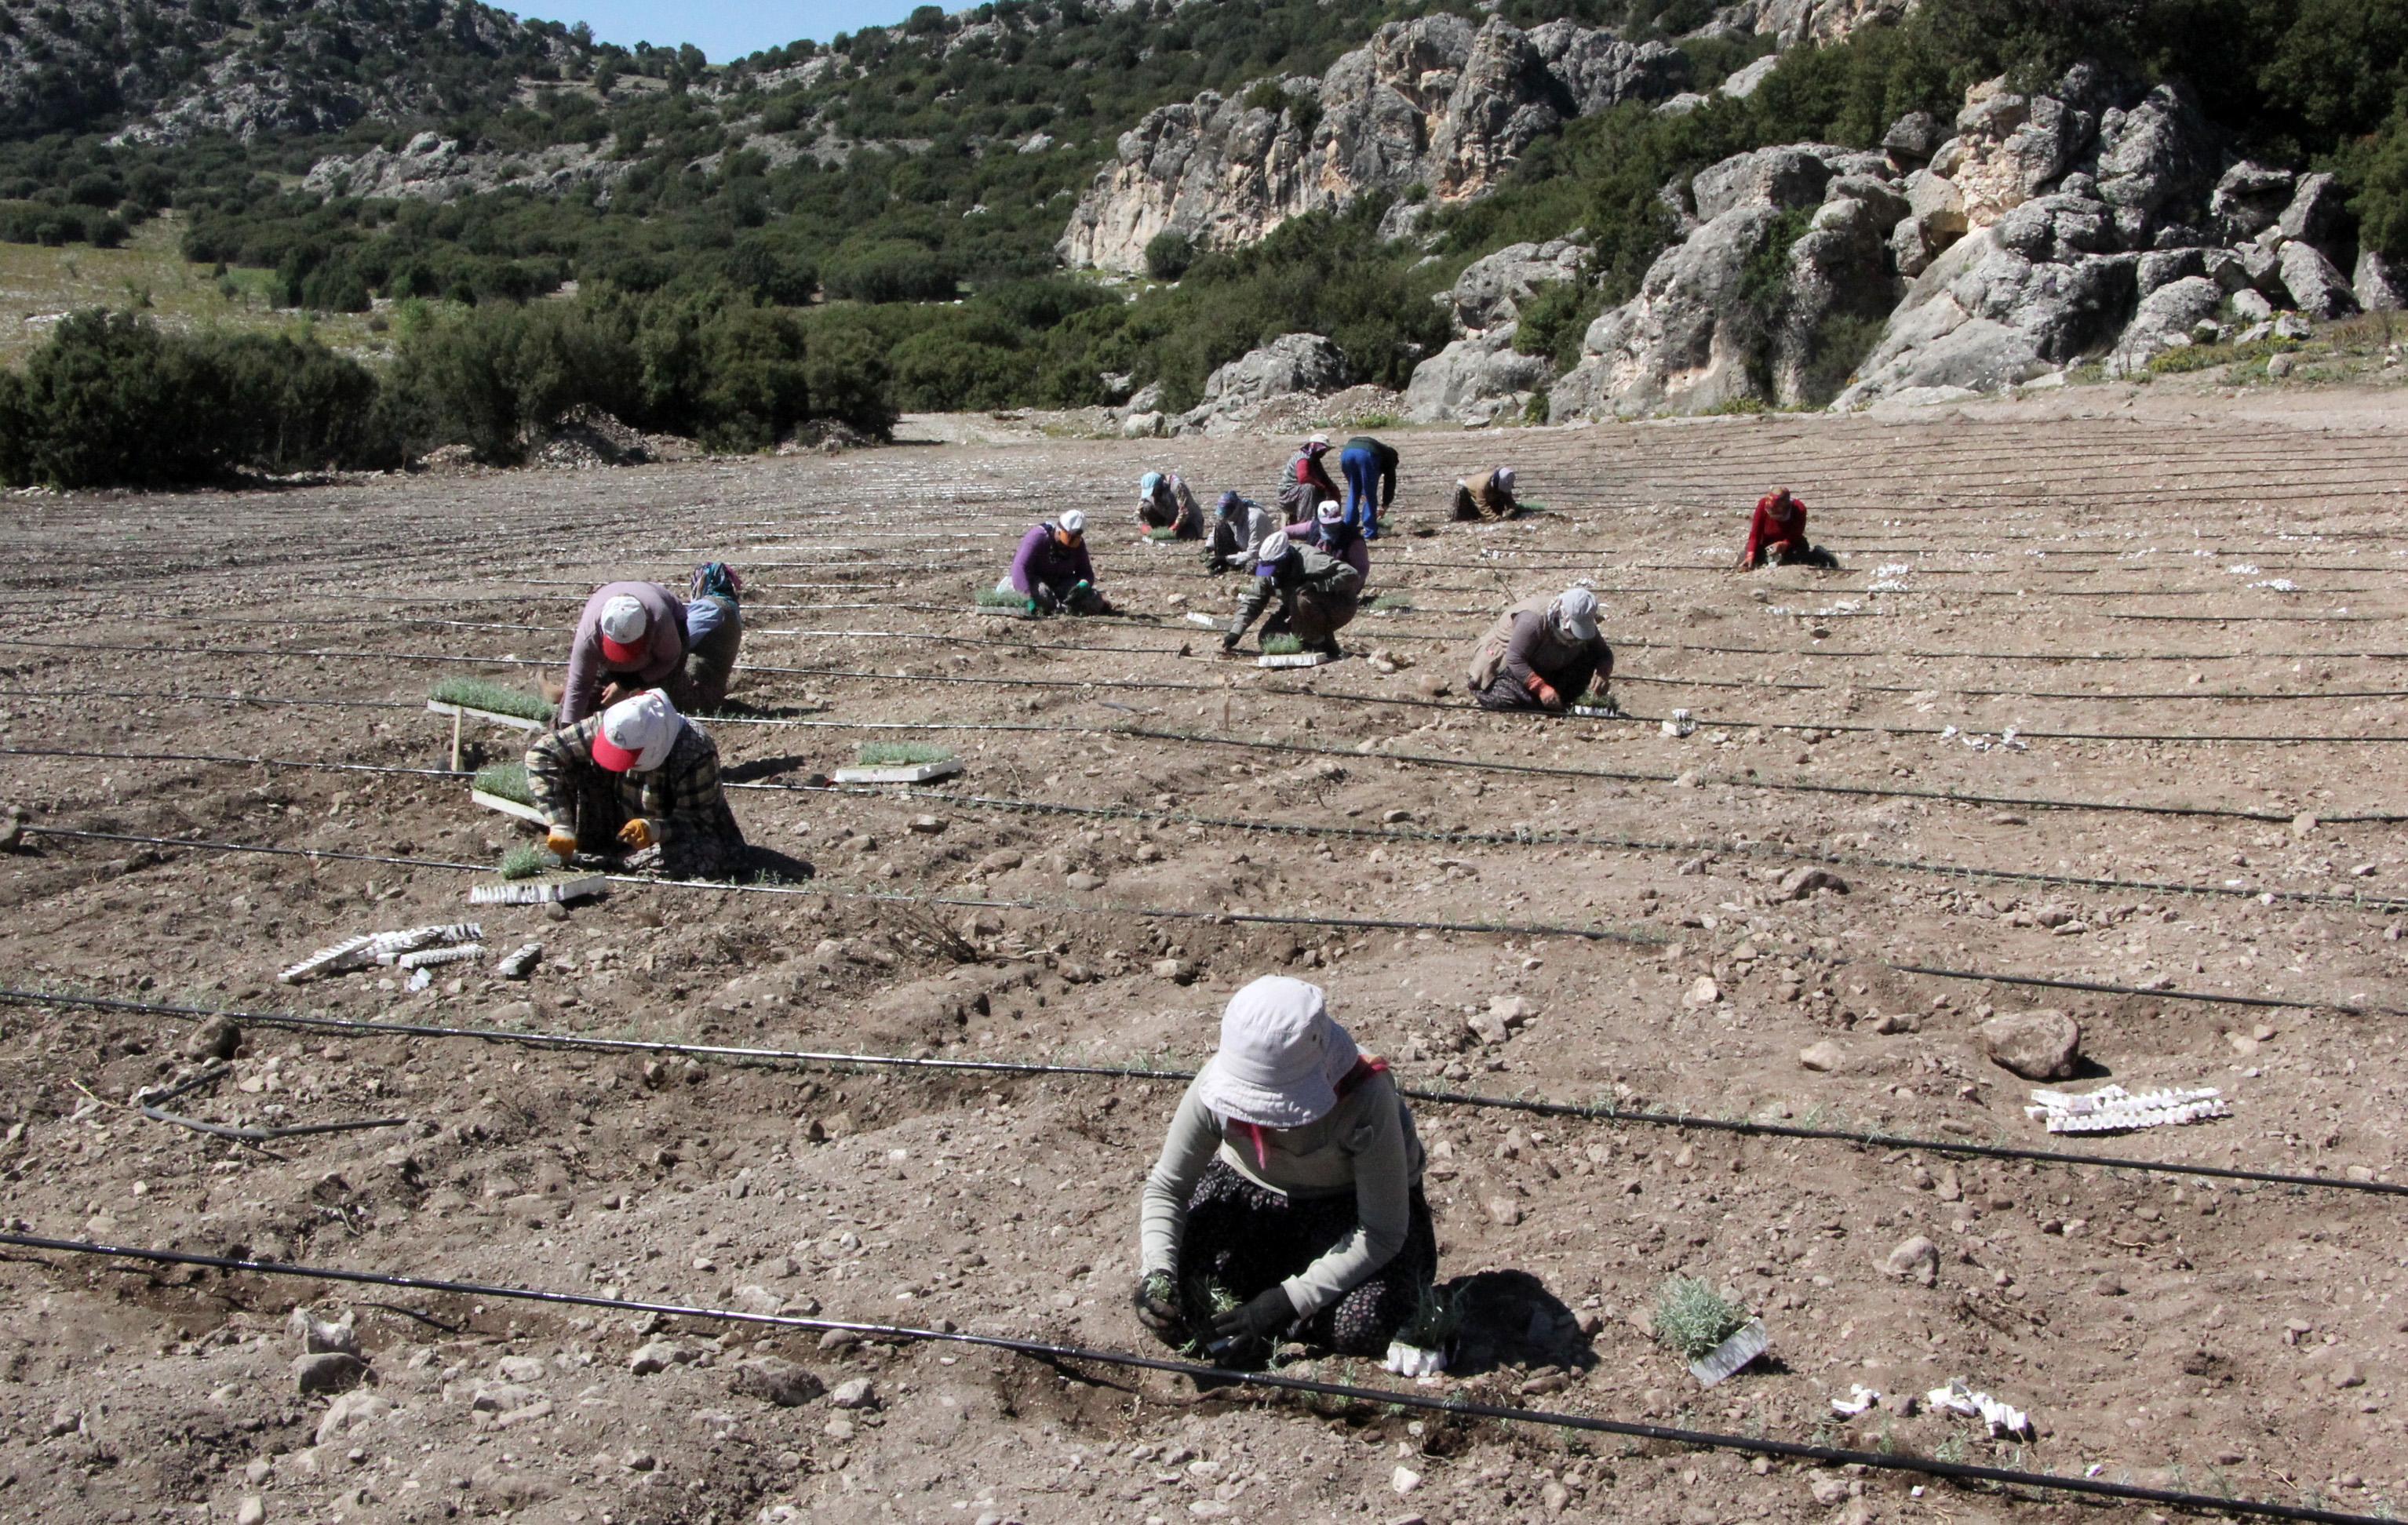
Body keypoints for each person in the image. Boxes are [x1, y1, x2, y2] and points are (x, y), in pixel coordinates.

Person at [1132, 977, 1440, 1366]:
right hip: (1254, 1204)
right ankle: (1287, 1307)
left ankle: (1296, 1307)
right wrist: (1156, 1274)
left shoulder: (1367, 1097)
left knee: (1365, 1324)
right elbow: (1168, 1189)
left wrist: (1287, 1302)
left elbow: (1381, 1231)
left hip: (1347, 1219)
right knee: (1185, 1303)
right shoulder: (1214, 1087)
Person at [525, 689, 748, 879]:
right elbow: (542, 754)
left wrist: (655, 829)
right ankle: (602, 849)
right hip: (615, 816)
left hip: (671, 833)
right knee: (574, 764)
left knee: (701, 854)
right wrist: (560, 824)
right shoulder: (614, 725)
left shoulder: (694, 750)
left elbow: (698, 820)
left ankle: (615, 861)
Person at [557, 581, 689, 725]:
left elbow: (669, 660)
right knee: (589, 706)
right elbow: (580, 684)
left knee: (657, 712)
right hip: (611, 628)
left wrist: (628, 684)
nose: (626, 661)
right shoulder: (589, 635)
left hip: (668, 635)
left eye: (631, 647)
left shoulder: (660, 620)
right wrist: (568, 731)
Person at [1466, 586, 1614, 713]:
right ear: (1564, 615)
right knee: (1512, 700)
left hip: (1547, 664)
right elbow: (1515, 658)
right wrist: (1541, 688)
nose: (1576, 634)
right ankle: (1544, 699)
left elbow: (1604, 653)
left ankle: (1554, 698)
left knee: (1587, 656)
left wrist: (1603, 672)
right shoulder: (1533, 621)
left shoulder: (1584, 624)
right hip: (1508, 667)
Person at [1222, 531, 1361, 658]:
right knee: (1267, 638)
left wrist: (1318, 586)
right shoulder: (1267, 569)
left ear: (1285, 559)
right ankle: (1317, 642)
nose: (1272, 572)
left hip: (1340, 606)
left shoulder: (1310, 559)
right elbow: (1254, 600)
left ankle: (1316, 643)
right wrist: (1236, 632)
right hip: (1294, 607)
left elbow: (1351, 573)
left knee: (1301, 597)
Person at [1002, 509, 1109, 615]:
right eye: (1069, 539)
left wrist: (1083, 585)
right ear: (1059, 531)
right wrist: (1026, 597)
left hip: (1060, 582)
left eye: (1075, 540)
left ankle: (1060, 607)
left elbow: (1086, 572)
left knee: (1093, 601)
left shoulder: (1078, 545)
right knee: (1043, 598)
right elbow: (1019, 567)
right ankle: (1055, 607)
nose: (1069, 546)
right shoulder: (1038, 537)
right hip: (1034, 581)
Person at [679, 562, 745, 715]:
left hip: (693, 692)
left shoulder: (710, 608)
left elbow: (679, 641)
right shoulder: (730, 608)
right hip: (712, 693)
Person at [1736, 488, 1837, 569]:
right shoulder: (1763, 504)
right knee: (1745, 562)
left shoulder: (1799, 508)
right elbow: (1755, 535)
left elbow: (1796, 534)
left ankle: (1819, 554)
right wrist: (1751, 554)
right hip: (1765, 544)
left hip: (1791, 544)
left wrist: (1784, 544)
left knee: (1797, 560)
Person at [1286, 500, 1369, 586]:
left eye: (1334, 522)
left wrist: (1348, 587)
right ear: (1319, 520)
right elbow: (1287, 531)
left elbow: (1362, 570)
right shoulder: (1313, 527)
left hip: (1339, 581)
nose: (1331, 526)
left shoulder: (1352, 539)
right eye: (1327, 523)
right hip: (1313, 575)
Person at [1203, 490, 1280, 574]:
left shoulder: (1255, 519)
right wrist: (1208, 547)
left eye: (1228, 516)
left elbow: (1253, 554)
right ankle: (1226, 564)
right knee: (1220, 524)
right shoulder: (1231, 517)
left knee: (1253, 566)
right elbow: (1216, 531)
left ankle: (1231, 563)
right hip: (1243, 548)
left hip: (1260, 555)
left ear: (1235, 509)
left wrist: (1226, 559)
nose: (1227, 519)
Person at [1338, 435, 1399, 538]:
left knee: (1353, 491)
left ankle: (1348, 527)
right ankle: (1370, 533)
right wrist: (1385, 504)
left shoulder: (1382, 450)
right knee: (1369, 494)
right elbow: (1390, 483)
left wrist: (1359, 490)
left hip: (1347, 453)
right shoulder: (1389, 459)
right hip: (1366, 454)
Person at [1279, 434, 1342, 525]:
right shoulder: (1303, 459)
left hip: (1300, 492)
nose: (1324, 453)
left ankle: (1331, 520)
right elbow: (1303, 478)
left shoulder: (1315, 460)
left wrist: (1332, 489)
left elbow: (1325, 478)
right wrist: (1322, 487)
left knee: (1331, 488)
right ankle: (1306, 523)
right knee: (1309, 488)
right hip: (1288, 494)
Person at [1138, 471, 1204, 538]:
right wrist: (1142, 526)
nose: (1152, 494)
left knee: (1183, 537)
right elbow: (1137, 514)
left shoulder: (1177, 486)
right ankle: (1159, 531)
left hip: (1188, 521)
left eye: (1153, 491)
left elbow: (1184, 512)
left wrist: (1174, 528)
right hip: (1168, 519)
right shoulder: (1148, 490)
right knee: (1147, 507)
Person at [1450, 466, 1520, 522]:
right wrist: (1495, 518)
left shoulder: (1503, 484)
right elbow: (1482, 504)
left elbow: (1509, 500)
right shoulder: (1482, 486)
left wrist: (1511, 511)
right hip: (1472, 495)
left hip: (1490, 495)